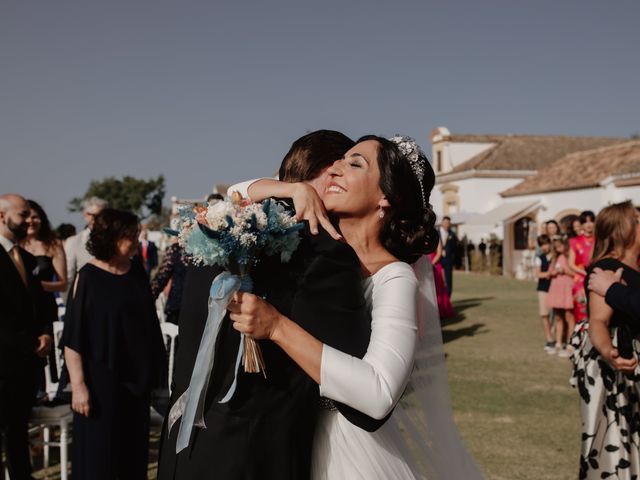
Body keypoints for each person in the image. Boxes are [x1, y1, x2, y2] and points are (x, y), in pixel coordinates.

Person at [228, 136, 480, 478]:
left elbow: (379, 393)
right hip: (286, 441)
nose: (335, 168)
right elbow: (232, 197)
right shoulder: (315, 247)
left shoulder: (394, 279)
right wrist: (292, 190)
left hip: (347, 455)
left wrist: (276, 327)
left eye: (354, 163)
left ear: (387, 198)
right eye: (340, 160)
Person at [158, 130, 377, 480]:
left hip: (181, 447)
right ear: (328, 172)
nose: (342, 180)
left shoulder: (215, 226)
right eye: (341, 169)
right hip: (254, 455)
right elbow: (349, 373)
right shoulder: (327, 252)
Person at [61, 208, 167, 480]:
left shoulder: (137, 272)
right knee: (99, 459)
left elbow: (148, 325)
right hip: (98, 384)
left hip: (135, 382)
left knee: (131, 457)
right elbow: (73, 337)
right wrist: (79, 387)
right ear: (111, 236)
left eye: (137, 234)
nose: (136, 239)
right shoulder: (87, 277)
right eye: (131, 235)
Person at [570, 201, 640, 479]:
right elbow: (597, 322)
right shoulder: (608, 268)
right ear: (626, 229)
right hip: (627, 373)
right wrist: (608, 351)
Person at [0, 193, 53, 479]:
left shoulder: (29, 258)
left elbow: (41, 305)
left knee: (18, 433)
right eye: (22, 215)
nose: (28, 220)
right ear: (1, 216)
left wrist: (46, 333)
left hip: (25, 366)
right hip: (4, 361)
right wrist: (28, 343)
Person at [21, 200, 68, 385]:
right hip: (20, 310)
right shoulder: (14, 245)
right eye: (26, 216)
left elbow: (63, 283)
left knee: (46, 355)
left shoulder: (53, 245)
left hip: (44, 309)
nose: (31, 221)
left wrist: (37, 286)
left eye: (35, 216)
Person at [64, 196, 107, 298]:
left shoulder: (117, 241)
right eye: (94, 215)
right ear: (85, 215)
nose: (98, 219)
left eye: (102, 215)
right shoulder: (73, 242)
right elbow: (69, 278)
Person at [546, 236, 575, 357]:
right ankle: (558, 342)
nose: (558, 249)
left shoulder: (570, 256)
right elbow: (549, 273)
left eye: (560, 246)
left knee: (569, 316)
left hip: (567, 287)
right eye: (556, 247)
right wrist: (553, 272)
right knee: (558, 317)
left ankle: (570, 343)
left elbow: (575, 273)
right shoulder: (555, 258)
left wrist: (565, 271)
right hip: (557, 288)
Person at [151, 237, 188, 324]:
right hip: (177, 306)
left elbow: (160, 279)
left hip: (197, 308)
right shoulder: (177, 249)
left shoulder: (209, 250)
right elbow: (160, 280)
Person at [569, 211, 596, 323]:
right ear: (581, 225)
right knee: (581, 313)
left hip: (597, 278)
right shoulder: (575, 241)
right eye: (585, 222)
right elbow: (571, 263)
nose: (589, 224)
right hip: (580, 281)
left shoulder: (600, 240)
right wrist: (584, 272)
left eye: (591, 221)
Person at [535, 234, 554, 353]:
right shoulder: (539, 258)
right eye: (542, 245)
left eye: (546, 244)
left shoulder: (556, 256)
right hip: (543, 289)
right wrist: (548, 274)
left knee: (557, 315)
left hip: (556, 288)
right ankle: (549, 339)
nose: (545, 247)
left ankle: (558, 338)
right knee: (545, 314)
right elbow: (538, 274)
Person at [429, 238, 455, 319]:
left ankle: (440, 311)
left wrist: (431, 264)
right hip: (424, 267)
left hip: (434, 265)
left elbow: (439, 253)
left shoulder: (436, 238)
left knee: (438, 288)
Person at [439, 215, 457, 297]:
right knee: (437, 279)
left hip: (448, 260)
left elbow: (455, 248)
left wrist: (453, 259)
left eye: (448, 223)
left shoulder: (452, 234)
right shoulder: (436, 233)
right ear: (442, 223)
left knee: (449, 280)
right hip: (437, 259)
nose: (447, 224)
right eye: (445, 222)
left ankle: (448, 298)